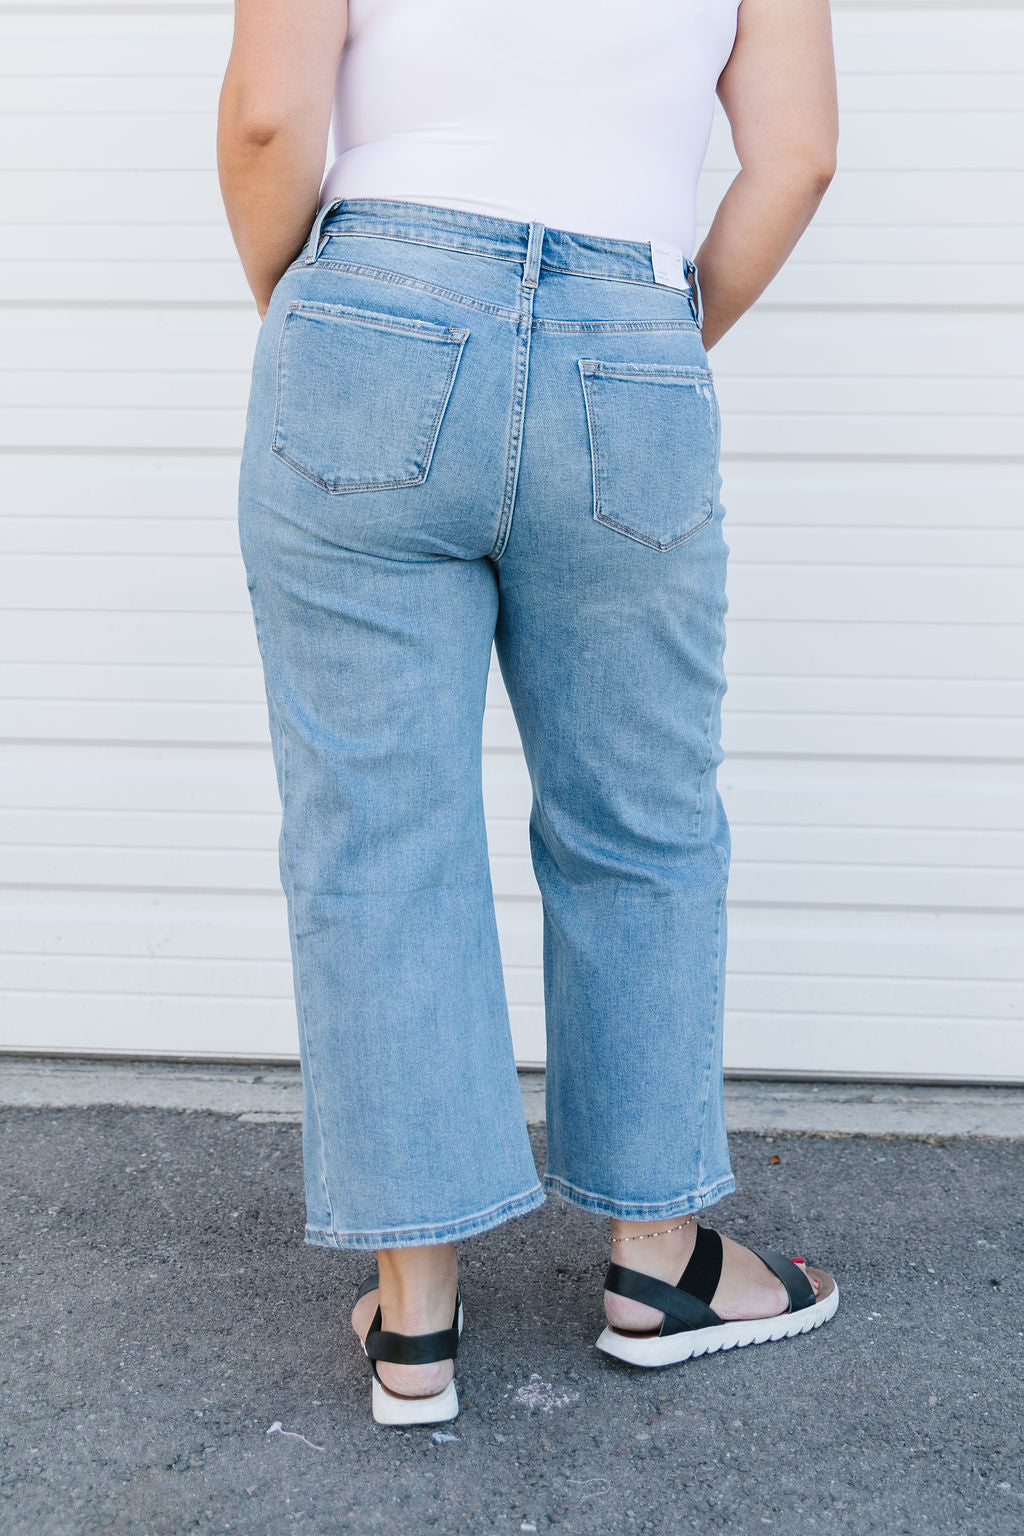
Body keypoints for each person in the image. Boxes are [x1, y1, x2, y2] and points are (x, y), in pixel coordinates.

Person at [218, 0, 840, 1427]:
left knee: (379, 831)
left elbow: (266, 119)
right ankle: (660, 1263)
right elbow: (794, 156)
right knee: (642, 822)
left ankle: (418, 1322)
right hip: (628, 329)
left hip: (374, 302)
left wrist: (321, 320)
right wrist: (647, 337)